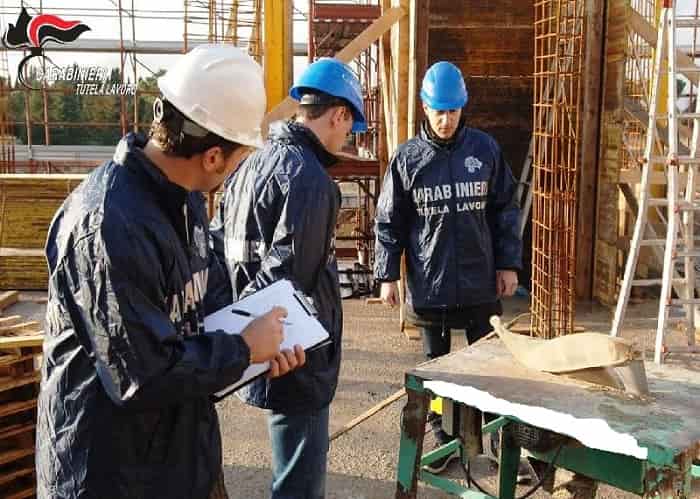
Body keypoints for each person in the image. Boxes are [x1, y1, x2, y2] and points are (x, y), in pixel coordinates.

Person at [36, 45, 306, 499]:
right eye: (239, 158)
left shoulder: (183, 200)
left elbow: (206, 300)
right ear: (214, 156)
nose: (237, 169)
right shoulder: (108, 226)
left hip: (175, 456)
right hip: (108, 472)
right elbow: (141, 375)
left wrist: (261, 349)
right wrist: (242, 349)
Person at [210, 57, 366, 499]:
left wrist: (240, 343)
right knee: (298, 485)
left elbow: (221, 253)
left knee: (290, 470)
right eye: (348, 128)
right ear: (338, 114)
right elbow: (287, 282)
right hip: (294, 357)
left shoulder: (250, 167)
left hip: (258, 346)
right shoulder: (311, 179)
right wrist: (267, 344)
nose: (344, 141)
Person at [374, 61, 522, 473]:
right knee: (436, 373)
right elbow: (390, 220)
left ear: (463, 108)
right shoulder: (408, 159)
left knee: (488, 367)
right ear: (424, 106)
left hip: (479, 283)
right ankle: (442, 438)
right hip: (431, 286)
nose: (446, 119)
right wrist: (387, 274)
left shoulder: (485, 151)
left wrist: (509, 264)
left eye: (453, 111)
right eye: (439, 110)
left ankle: (486, 437)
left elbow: (505, 210)